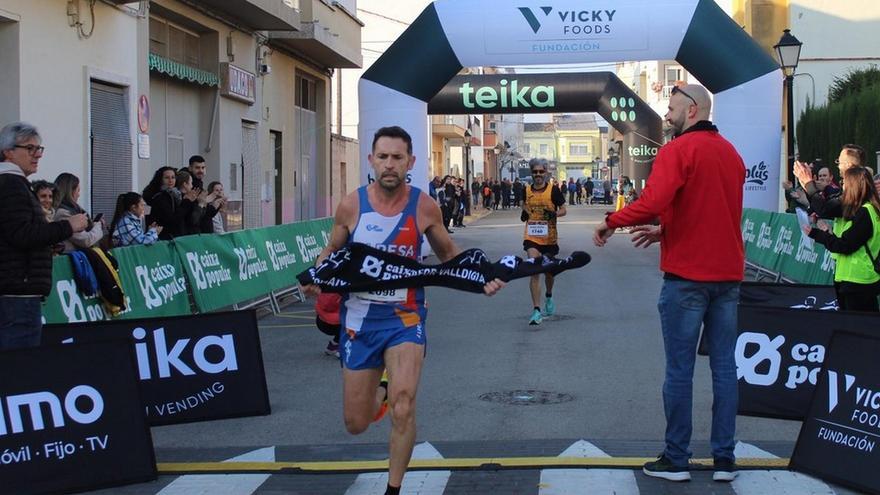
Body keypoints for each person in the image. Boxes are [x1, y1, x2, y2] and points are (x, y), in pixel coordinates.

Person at [302, 126, 503, 495]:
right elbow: (330, 251)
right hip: (359, 323)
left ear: (410, 162)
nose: (389, 165)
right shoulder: (352, 205)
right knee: (356, 422)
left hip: (405, 319)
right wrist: (316, 274)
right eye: (383, 157)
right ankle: (382, 384)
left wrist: (482, 278)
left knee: (404, 404)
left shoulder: (423, 205)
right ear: (371, 161)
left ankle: (393, 489)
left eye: (397, 158)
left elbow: (449, 256)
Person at [593, 84, 744, 483]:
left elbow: (654, 201)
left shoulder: (676, 151)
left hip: (688, 279)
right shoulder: (731, 154)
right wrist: (665, 232)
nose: (667, 114)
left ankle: (677, 457)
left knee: (680, 370)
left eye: (673, 107)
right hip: (727, 277)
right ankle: (725, 459)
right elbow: (714, 212)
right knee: (725, 369)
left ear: (692, 110)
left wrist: (611, 221)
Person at [0, 122, 87, 350]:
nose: (37, 155)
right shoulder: (11, 185)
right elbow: (21, 234)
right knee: (19, 369)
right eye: (30, 149)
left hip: (17, 291)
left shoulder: (16, 184)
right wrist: (67, 227)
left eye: (39, 149)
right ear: (8, 152)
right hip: (17, 294)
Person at [803, 167, 880, 311]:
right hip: (859, 278)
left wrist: (818, 234)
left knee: (856, 328)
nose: (842, 186)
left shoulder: (865, 212)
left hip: (857, 280)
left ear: (853, 185)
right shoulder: (868, 209)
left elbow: (844, 245)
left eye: (844, 182)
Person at [520, 158, 567, 325]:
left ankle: (548, 295)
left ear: (545, 173)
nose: (538, 175)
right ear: (531, 173)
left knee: (548, 272)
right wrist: (525, 212)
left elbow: (563, 209)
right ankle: (536, 310)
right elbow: (523, 204)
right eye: (535, 172)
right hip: (531, 237)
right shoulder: (525, 190)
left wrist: (554, 214)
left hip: (549, 238)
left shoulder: (553, 190)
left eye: (541, 172)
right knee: (534, 269)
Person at [794, 144, 865, 218]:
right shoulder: (852, 187)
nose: (838, 166)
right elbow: (824, 206)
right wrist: (805, 184)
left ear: (848, 165)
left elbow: (825, 209)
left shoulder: (855, 189)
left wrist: (808, 182)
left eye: (839, 162)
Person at [53, 172, 104, 253]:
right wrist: (98, 226)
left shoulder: (73, 210)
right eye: (78, 191)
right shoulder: (63, 214)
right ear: (71, 192)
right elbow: (86, 240)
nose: (79, 195)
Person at [315, 291, 342, 357]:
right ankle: (341, 350)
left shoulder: (325, 290)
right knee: (353, 325)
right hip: (336, 325)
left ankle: (332, 346)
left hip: (320, 322)